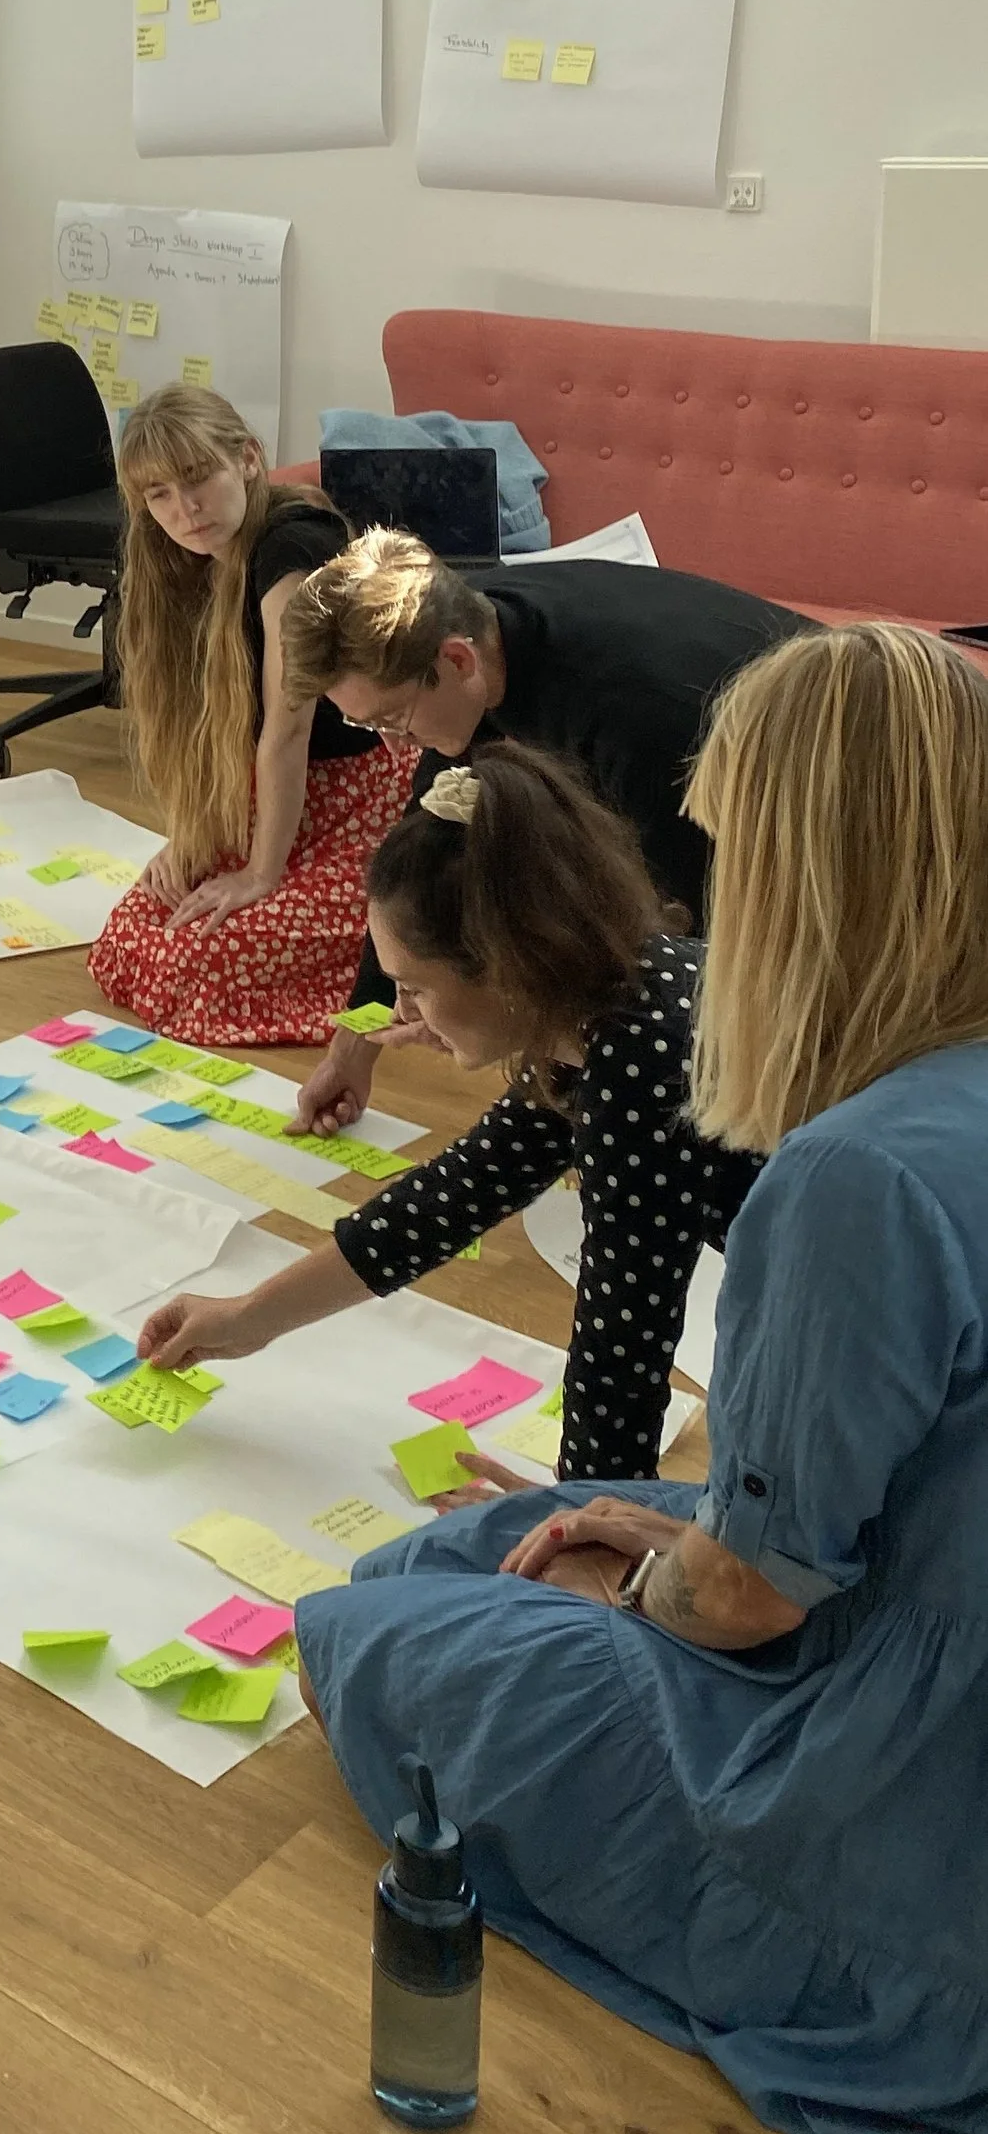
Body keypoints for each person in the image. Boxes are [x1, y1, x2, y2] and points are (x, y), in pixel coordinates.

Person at [296, 623, 988, 2134]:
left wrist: (652, 1580)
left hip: (914, 1796)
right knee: (505, 1542)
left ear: (815, 883)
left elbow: (753, 1592)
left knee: (371, 1626)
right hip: (903, 1578)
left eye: (739, 854)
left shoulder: (857, 1169)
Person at [135, 745, 754, 1482]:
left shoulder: (641, 1067)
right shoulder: (608, 996)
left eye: (415, 987)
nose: (400, 1013)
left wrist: (572, 1531)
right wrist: (249, 1317)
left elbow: (622, 1348)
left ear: (508, 964)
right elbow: (450, 1198)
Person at [278, 525, 802, 1135]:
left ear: (457, 660)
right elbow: (413, 870)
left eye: (393, 720)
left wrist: (593, 1095)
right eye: (369, 725)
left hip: (829, 798)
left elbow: (688, 954)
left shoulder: (629, 723)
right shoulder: (455, 620)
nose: (394, 747)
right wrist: (354, 1044)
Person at [85, 388, 418, 1047]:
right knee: (135, 930)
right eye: (159, 496)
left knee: (203, 959)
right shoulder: (180, 557)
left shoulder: (293, 546)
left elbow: (287, 728)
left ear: (246, 458)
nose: (184, 510)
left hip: (355, 803)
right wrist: (195, 839)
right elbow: (211, 729)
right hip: (269, 798)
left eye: (196, 478)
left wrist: (262, 874)